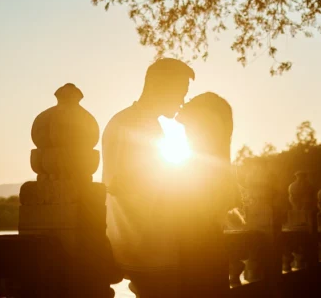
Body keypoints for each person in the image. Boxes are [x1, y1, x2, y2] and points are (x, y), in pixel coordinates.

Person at [101, 57, 195, 298]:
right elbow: (116, 183)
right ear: (158, 86)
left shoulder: (145, 122)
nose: (182, 101)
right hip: (144, 248)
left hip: (154, 245)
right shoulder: (128, 122)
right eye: (180, 92)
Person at [175, 92, 237, 297]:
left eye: (191, 128)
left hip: (198, 257)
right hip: (207, 254)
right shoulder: (212, 168)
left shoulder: (201, 170)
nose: (187, 134)